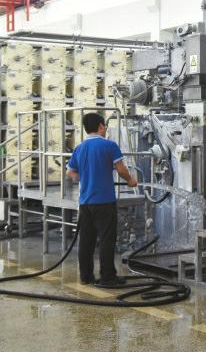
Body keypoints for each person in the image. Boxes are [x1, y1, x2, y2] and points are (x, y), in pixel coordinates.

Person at [67, 112, 138, 286]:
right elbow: (121, 169)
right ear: (100, 126)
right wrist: (130, 181)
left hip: (85, 202)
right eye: (104, 126)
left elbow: (71, 172)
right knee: (106, 239)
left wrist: (86, 178)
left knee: (86, 241)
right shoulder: (109, 145)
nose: (105, 129)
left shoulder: (79, 148)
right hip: (104, 201)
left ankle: (86, 276)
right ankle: (107, 277)